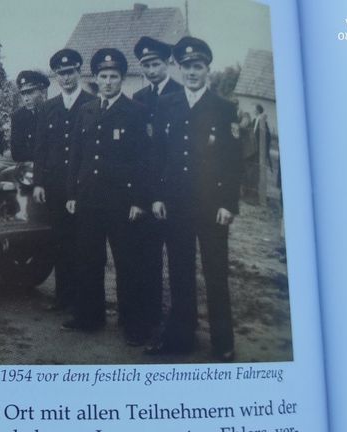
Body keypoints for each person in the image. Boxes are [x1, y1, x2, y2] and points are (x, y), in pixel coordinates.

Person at [146, 36, 243, 362]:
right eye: (186, 66)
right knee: (180, 272)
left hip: (212, 207)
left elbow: (233, 163)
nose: (191, 72)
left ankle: (223, 342)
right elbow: (157, 155)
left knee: (215, 274)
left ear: (207, 70)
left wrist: (229, 204)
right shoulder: (167, 104)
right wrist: (157, 196)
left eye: (197, 66)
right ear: (180, 68)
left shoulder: (223, 108)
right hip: (176, 204)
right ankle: (181, 336)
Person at [62, 48, 150, 346]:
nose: (108, 81)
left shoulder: (135, 111)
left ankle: (132, 322)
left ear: (122, 79)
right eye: (103, 76)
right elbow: (77, 155)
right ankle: (89, 316)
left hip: (122, 202)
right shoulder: (87, 109)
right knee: (88, 260)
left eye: (114, 76)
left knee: (128, 264)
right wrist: (72, 192)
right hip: (89, 198)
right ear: (95, 78)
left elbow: (142, 161)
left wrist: (139, 200)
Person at [33, 49, 94, 311]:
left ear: (79, 72)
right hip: (55, 184)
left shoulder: (92, 103)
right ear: (56, 76)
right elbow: (40, 148)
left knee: (83, 243)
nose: (66, 78)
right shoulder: (48, 107)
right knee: (60, 241)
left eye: (70, 72)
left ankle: (82, 300)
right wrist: (38, 182)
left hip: (83, 185)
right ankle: (62, 297)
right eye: (61, 73)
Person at [131, 36, 184, 335]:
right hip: (146, 190)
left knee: (178, 264)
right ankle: (149, 318)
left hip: (174, 191)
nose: (151, 70)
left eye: (156, 64)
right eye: (146, 65)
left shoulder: (181, 93)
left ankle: (178, 323)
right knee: (146, 259)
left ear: (168, 64)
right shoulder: (139, 97)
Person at [9, 70, 50, 163]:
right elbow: (16, 153)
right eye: (23, 94)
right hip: (29, 169)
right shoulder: (18, 117)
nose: (26, 98)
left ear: (42, 91)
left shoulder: (52, 112)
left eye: (30, 92)